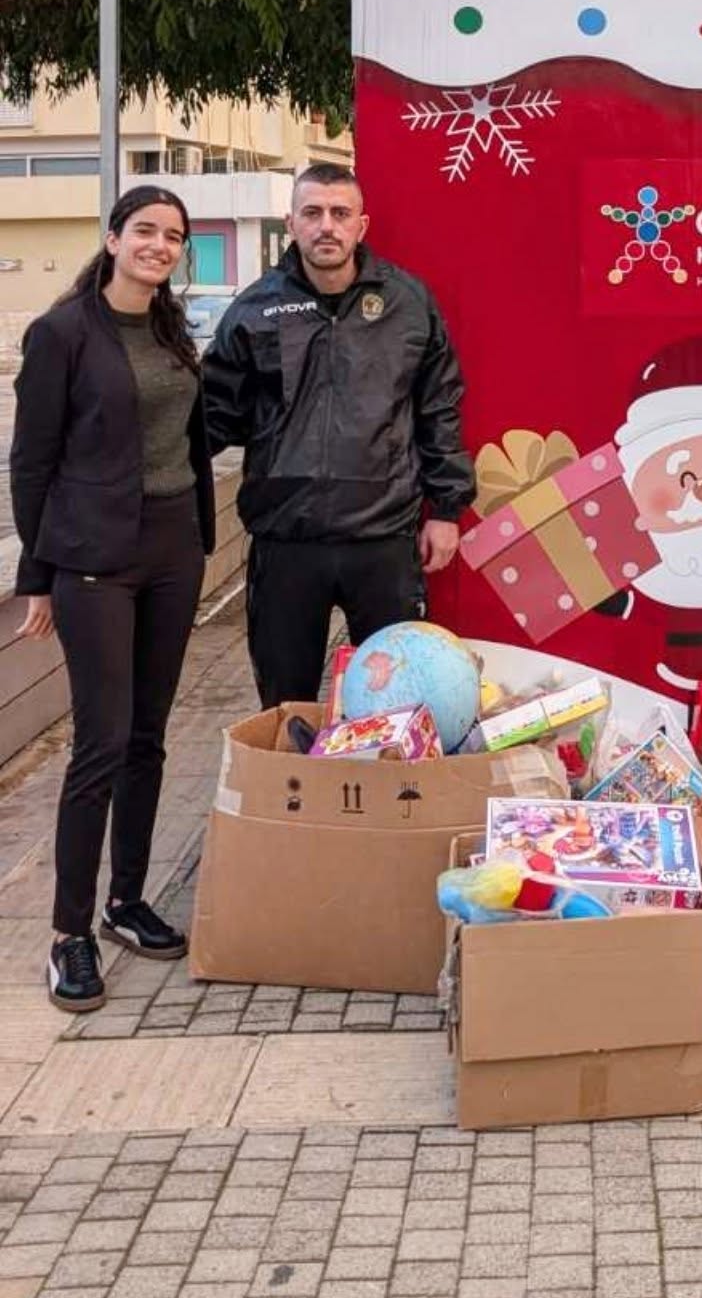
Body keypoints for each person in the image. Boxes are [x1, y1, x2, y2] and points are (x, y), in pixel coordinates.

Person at [10, 187, 216, 1013]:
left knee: (148, 739)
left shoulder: (170, 330)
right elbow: (32, 462)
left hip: (173, 548)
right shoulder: (61, 333)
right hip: (94, 557)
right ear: (113, 238)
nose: (159, 246)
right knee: (101, 741)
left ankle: (126, 900)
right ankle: (69, 934)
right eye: (145, 231)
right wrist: (37, 577)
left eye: (173, 236)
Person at [203, 162, 475, 707]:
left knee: (396, 705)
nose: (326, 226)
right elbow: (209, 417)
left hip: (383, 539)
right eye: (312, 213)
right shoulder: (255, 310)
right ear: (291, 224)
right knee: (287, 707)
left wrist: (447, 509)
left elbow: (438, 408)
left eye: (339, 213)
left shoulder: (407, 304)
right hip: (286, 541)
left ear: (361, 225)